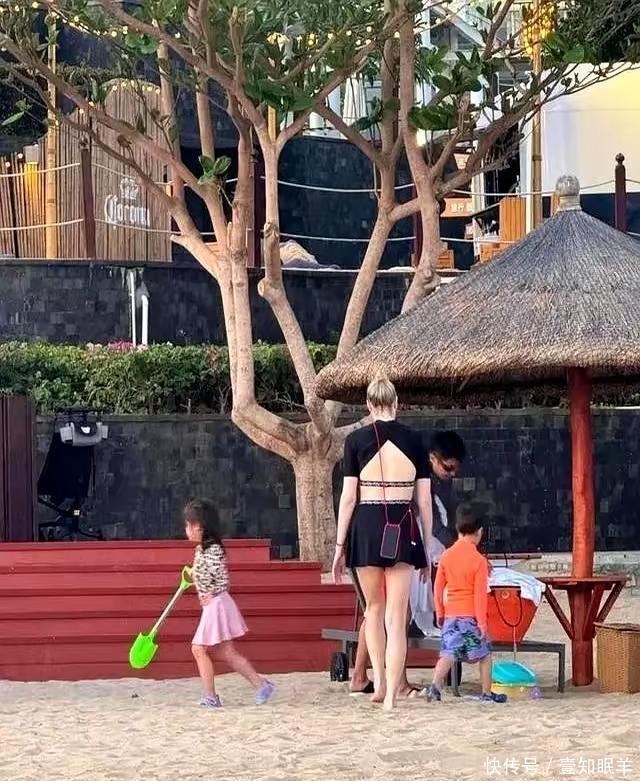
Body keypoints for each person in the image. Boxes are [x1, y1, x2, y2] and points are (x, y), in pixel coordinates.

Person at [332, 376, 432, 710]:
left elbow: (348, 498)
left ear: (369, 406)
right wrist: (426, 547)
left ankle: (380, 683)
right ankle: (390, 696)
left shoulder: (355, 441)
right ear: (396, 403)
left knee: (373, 610)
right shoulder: (415, 440)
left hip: (366, 525)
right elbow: (424, 501)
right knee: (396, 616)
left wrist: (339, 546)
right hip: (403, 525)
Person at [349, 431, 467, 697]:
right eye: (448, 467)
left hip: (374, 535)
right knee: (396, 612)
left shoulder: (393, 464)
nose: (451, 474)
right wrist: (455, 547)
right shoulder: (415, 471)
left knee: (375, 609)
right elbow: (429, 516)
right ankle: (395, 682)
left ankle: (361, 676)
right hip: (397, 541)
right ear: (432, 458)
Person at [184, 498, 275, 709]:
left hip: (216, 605)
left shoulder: (212, 550)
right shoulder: (203, 550)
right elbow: (206, 575)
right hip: (214, 604)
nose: (187, 530)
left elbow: (217, 578)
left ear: (199, 527)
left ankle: (211, 696)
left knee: (198, 649)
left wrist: (203, 586)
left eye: (189, 525)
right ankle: (261, 685)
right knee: (226, 652)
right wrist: (195, 575)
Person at [423, 500, 507, 703]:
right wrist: (482, 624)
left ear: (457, 528)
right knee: (484, 655)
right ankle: (486, 693)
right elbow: (479, 595)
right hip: (470, 619)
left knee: (448, 653)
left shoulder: (446, 556)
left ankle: (434, 686)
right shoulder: (479, 561)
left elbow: (438, 588)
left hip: (451, 617)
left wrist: (440, 613)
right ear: (479, 532)